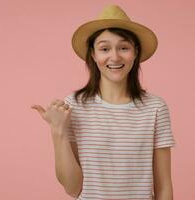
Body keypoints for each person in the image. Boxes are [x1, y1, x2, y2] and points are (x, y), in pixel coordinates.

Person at [31, 4, 175, 200]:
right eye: (105, 48)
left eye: (124, 47)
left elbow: (164, 187)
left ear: (135, 52)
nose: (114, 57)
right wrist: (58, 131)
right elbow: (72, 189)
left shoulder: (155, 108)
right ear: (93, 54)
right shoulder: (74, 105)